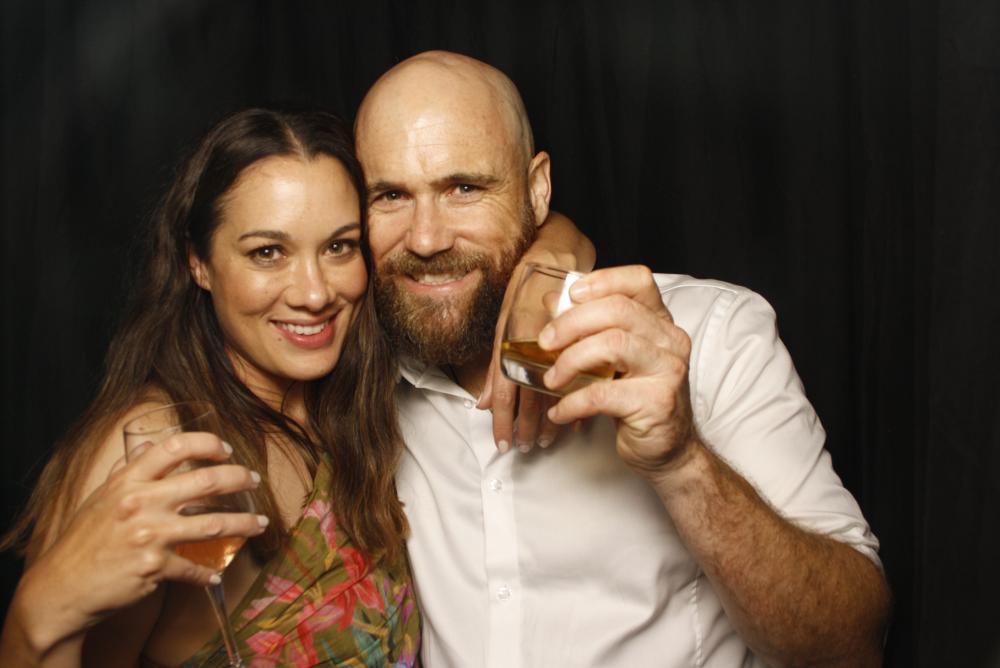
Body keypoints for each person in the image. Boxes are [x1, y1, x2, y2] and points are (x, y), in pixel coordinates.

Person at [355, 50, 892, 667]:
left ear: (537, 189)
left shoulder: (710, 331)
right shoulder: (357, 373)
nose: (426, 238)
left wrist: (682, 461)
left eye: (465, 189)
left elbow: (852, 644)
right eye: (390, 195)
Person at [0, 108, 424, 667]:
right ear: (198, 262)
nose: (315, 293)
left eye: (339, 247)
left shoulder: (355, 404)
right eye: (268, 253)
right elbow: (48, 637)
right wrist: (35, 615)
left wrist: (542, 259)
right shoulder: (160, 451)